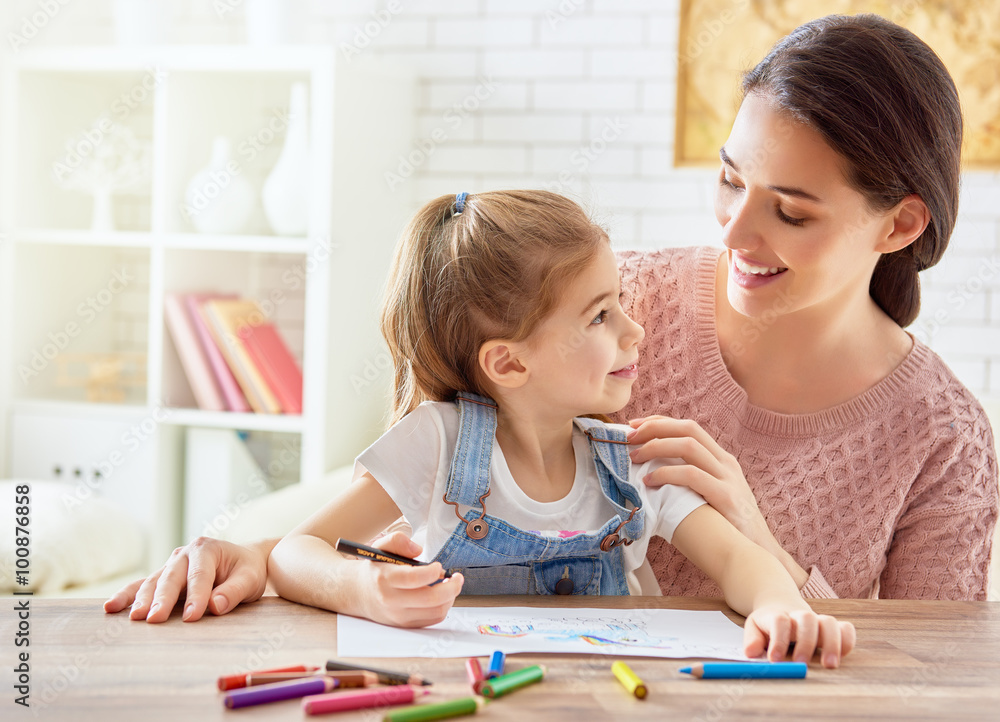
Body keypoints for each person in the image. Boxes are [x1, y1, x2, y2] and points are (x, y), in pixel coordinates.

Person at [104, 13, 996, 624]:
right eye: (730, 178)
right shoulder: (617, 298)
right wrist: (254, 554)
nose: (733, 230)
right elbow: (425, 471)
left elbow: (936, 671)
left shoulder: (943, 437)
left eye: (790, 211)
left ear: (901, 222)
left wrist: (766, 556)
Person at [267, 189, 855, 664]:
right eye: (600, 315)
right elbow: (295, 553)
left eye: (620, 302)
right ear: (510, 362)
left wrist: (780, 606)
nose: (635, 330)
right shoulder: (437, 441)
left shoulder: (633, 461)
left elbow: (735, 561)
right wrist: (364, 590)